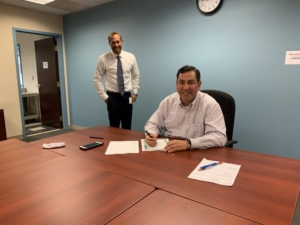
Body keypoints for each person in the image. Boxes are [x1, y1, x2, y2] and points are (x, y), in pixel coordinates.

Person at [144, 65, 227, 152]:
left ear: (199, 84)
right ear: (176, 84)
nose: (186, 87)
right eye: (181, 82)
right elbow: (152, 123)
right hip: (170, 149)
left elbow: (219, 137)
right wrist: (151, 133)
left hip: (197, 152)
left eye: (191, 82)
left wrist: (189, 143)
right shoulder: (168, 102)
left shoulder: (210, 104)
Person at [94, 32, 140, 130]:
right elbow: (97, 79)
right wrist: (105, 97)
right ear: (109, 43)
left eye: (118, 42)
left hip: (127, 96)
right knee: (114, 128)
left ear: (122, 41)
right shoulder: (103, 59)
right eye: (113, 42)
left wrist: (135, 93)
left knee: (127, 127)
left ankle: (127, 145)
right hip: (112, 97)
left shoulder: (130, 57)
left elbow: (136, 75)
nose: (116, 45)